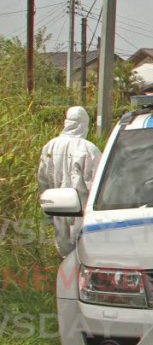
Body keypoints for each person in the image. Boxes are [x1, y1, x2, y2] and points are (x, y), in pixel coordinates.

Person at [37, 106, 102, 257]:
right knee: (84, 255)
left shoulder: (50, 146)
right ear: (83, 124)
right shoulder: (89, 149)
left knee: (65, 254)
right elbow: (98, 182)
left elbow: (42, 178)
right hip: (83, 210)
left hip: (58, 208)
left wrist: (47, 204)